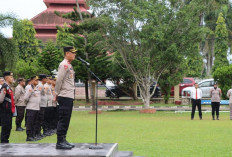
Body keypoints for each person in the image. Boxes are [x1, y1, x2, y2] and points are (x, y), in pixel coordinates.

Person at [55, 46, 77, 150]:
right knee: (63, 119)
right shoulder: (63, 65)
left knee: (67, 119)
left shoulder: (69, 65)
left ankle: (63, 139)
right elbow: (59, 80)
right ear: (67, 53)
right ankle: (59, 142)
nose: (74, 55)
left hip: (69, 96)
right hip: (64, 96)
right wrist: (56, 93)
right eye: (72, 53)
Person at [0, 71, 16, 143]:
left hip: (9, 110)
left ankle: (6, 140)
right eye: (11, 77)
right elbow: (0, 99)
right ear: (6, 78)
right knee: (6, 126)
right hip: (5, 110)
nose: (12, 78)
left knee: (9, 127)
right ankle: (4, 142)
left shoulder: (8, 87)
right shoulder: (4, 87)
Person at [24, 76, 41, 141]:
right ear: (32, 80)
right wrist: (28, 104)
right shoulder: (29, 87)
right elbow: (25, 98)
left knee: (35, 122)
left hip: (36, 108)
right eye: (36, 80)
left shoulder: (36, 87)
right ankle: (29, 136)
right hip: (31, 108)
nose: (37, 81)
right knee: (30, 122)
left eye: (38, 80)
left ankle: (33, 135)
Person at [37, 74, 49, 139]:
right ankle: (38, 133)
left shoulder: (42, 85)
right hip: (41, 105)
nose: (47, 80)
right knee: (40, 119)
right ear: (43, 79)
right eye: (46, 78)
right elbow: (40, 94)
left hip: (43, 105)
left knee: (42, 119)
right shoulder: (40, 85)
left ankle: (39, 132)